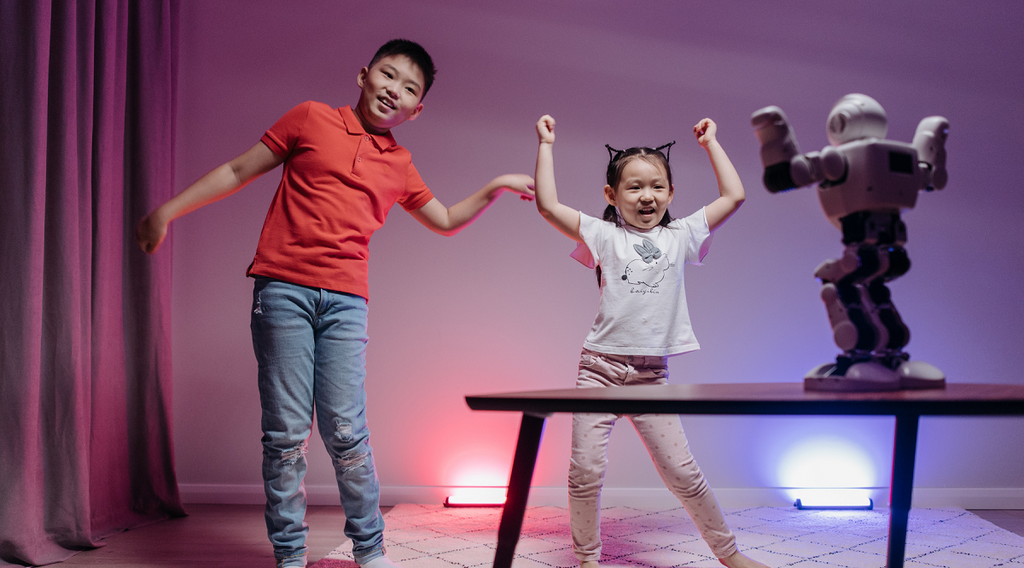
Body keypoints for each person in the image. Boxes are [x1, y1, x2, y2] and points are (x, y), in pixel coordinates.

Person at [136, 39, 534, 568]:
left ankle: (370, 552)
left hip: (346, 303)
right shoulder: (310, 118)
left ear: (419, 109)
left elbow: (442, 220)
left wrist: (496, 187)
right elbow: (237, 170)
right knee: (285, 434)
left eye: (409, 88)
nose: (395, 90)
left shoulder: (400, 162)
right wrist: (167, 213)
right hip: (283, 292)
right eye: (388, 76)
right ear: (363, 75)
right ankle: (290, 556)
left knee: (347, 432)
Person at [532, 115, 768, 568]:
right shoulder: (603, 235)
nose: (647, 196)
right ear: (612, 196)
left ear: (671, 193)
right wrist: (546, 144)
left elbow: (734, 196)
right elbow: (547, 206)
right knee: (585, 473)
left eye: (657, 187)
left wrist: (712, 144)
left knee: (683, 473)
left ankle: (731, 555)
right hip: (598, 369)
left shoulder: (681, 236)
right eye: (635, 187)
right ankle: (586, 560)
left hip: (649, 375)